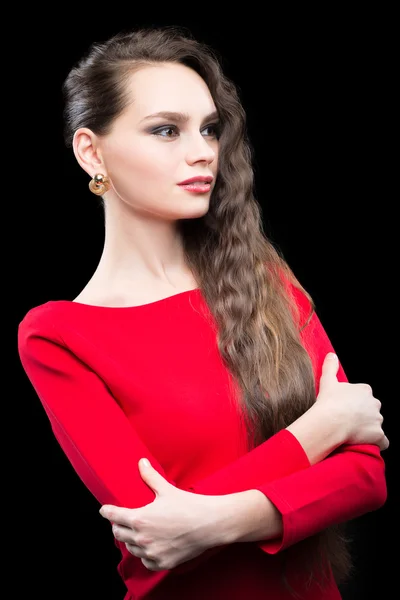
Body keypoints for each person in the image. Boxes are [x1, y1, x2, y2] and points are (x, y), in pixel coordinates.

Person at [17, 25, 388, 600]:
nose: (203, 152)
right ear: (92, 151)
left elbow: (365, 476)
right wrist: (320, 431)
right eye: (166, 130)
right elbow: (152, 535)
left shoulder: (263, 279)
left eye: (209, 129)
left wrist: (208, 523)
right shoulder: (59, 335)